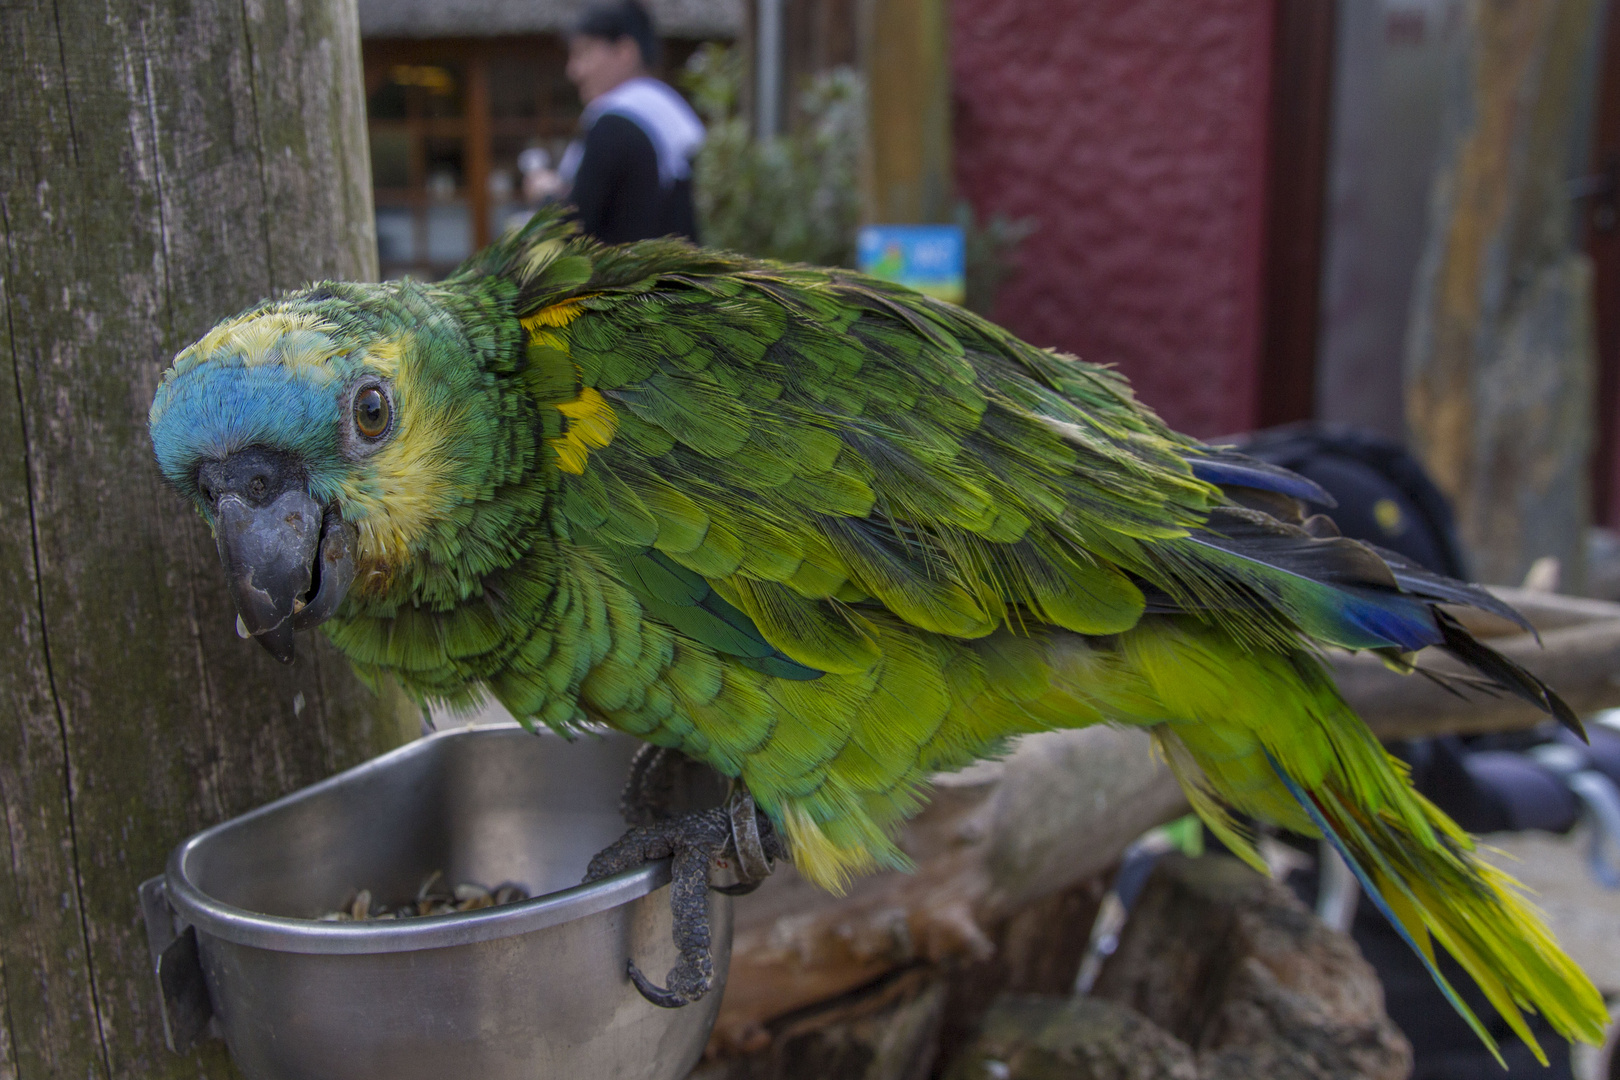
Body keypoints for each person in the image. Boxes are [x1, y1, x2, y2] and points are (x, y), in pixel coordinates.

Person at [528, 1, 704, 244]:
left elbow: (575, 229)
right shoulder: (673, 110)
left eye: (584, 53)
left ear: (625, 52)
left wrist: (545, 194)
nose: (573, 71)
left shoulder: (614, 123)